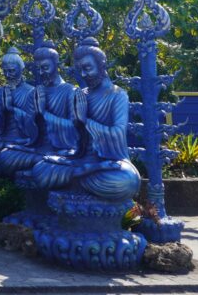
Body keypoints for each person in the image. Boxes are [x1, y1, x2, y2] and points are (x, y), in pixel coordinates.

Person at [17, 39, 140, 201]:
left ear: (102, 65)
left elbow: (117, 134)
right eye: (80, 70)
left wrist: (85, 121)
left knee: (128, 181)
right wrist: (43, 115)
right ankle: (84, 173)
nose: (83, 75)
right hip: (83, 160)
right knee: (41, 169)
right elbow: (72, 138)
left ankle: (78, 177)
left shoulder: (117, 95)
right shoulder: (81, 94)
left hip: (111, 163)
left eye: (87, 68)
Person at [0, 48, 40, 173]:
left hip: (22, 140)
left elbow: (34, 125)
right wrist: (2, 110)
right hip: (3, 138)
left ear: (21, 69)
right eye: (5, 71)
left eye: (12, 71)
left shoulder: (31, 92)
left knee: (7, 152)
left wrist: (11, 109)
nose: (8, 75)